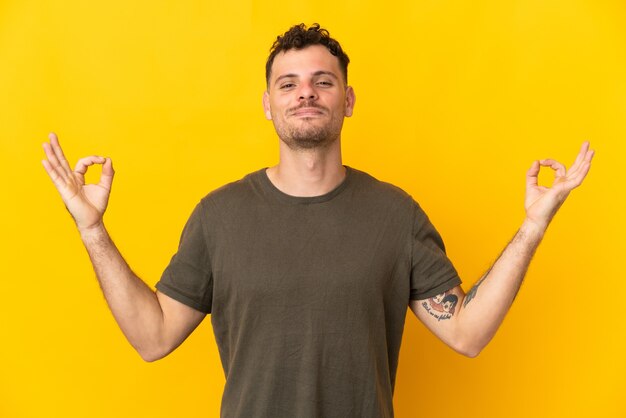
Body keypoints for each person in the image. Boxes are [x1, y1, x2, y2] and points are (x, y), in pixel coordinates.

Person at [42, 23, 594, 418]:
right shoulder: (220, 215)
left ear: (347, 99)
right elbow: (152, 336)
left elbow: (468, 333)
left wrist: (533, 227)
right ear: (267, 103)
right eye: (289, 83)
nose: (306, 92)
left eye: (323, 81)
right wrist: (92, 229)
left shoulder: (395, 215)